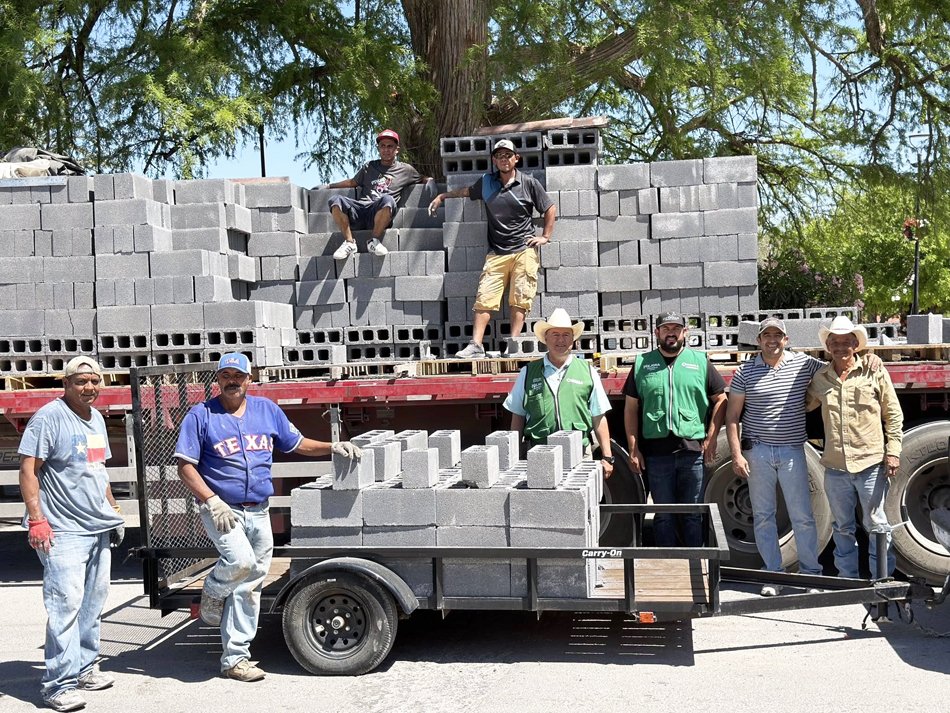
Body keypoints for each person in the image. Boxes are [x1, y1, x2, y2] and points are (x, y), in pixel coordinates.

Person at [173, 353, 362, 682]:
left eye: (238, 376)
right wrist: (211, 500)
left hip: (259, 509)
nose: (232, 381)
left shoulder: (267, 411)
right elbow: (185, 466)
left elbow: (297, 443)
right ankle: (213, 591)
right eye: (226, 375)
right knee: (240, 562)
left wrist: (332, 446)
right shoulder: (201, 415)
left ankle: (235, 659)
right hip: (222, 509)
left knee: (250, 584)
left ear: (249, 379)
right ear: (217, 380)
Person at [727, 317, 886, 596]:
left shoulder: (803, 364)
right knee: (763, 516)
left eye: (778, 335)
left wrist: (870, 356)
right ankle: (773, 575)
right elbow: (732, 415)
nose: (772, 340)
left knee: (802, 516)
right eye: (767, 335)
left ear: (786, 340)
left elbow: (839, 363)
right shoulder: (745, 371)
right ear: (759, 340)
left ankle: (811, 575)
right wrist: (737, 454)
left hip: (792, 451)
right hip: (757, 452)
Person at [18, 356, 125, 712]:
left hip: (96, 527)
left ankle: (84, 668)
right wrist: (37, 520)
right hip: (62, 530)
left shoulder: (96, 419)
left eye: (94, 381)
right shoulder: (49, 418)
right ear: (65, 383)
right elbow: (29, 470)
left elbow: (98, 470)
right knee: (65, 606)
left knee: (92, 604)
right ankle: (57, 685)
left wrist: (113, 511)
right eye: (80, 381)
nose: (88, 387)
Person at [428, 139, 556, 359]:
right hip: (497, 252)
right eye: (499, 156)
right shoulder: (487, 182)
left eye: (508, 155)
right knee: (484, 298)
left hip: (523, 250)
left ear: (516, 158)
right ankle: (476, 346)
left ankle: (513, 346)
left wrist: (545, 236)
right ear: (495, 160)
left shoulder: (528, 183)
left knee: (520, 298)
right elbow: (467, 192)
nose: (504, 159)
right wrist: (443, 196)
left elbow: (549, 207)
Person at [806, 316, 903, 579]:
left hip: (870, 464)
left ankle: (881, 579)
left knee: (877, 524)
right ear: (828, 346)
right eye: (835, 342)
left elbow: (893, 414)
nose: (841, 347)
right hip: (836, 468)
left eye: (846, 342)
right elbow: (801, 405)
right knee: (842, 527)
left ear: (855, 345)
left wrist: (893, 452)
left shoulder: (874, 370)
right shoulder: (820, 379)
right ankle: (847, 580)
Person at [623, 312, 728, 547]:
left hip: (692, 453)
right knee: (663, 516)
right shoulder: (642, 363)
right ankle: (667, 562)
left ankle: (695, 560)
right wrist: (633, 448)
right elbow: (630, 408)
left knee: (693, 514)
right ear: (656, 333)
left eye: (676, 329)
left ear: (684, 333)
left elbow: (721, 400)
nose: (671, 333)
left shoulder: (700, 362)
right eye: (665, 328)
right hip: (657, 454)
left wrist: (712, 437)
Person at [503, 309, 614, 478]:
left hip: (579, 455)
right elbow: (518, 416)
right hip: (540, 454)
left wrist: (607, 456)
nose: (561, 340)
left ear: (573, 340)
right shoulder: (528, 372)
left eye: (566, 335)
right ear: (545, 339)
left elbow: (598, 416)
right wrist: (514, 455)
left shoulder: (587, 371)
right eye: (555, 334)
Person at [319, 129, 435, 260]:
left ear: (397, 149)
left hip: (379, 213)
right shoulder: (369, 166)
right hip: (360, 210)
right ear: (378, 148)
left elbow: (421, 178)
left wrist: (430, 180)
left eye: (390, 146)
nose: (386, 149)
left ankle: (373, 241)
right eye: (383, 146)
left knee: (388, 199)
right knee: (335, 200)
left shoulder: (405, 170)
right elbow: (353, 182)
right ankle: (349, 242)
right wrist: (329, 186)